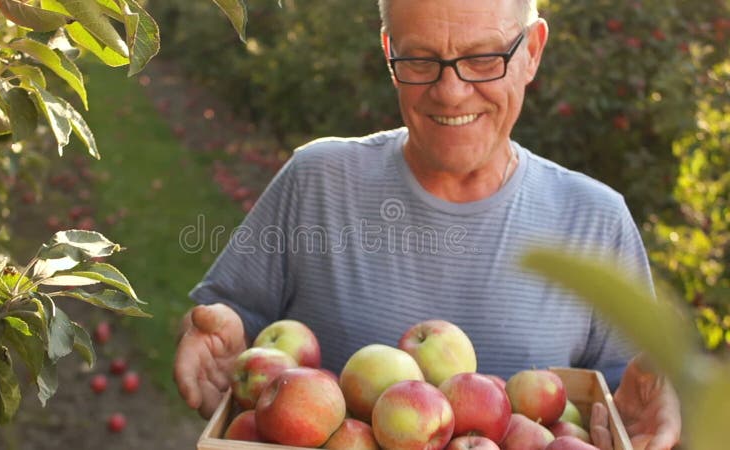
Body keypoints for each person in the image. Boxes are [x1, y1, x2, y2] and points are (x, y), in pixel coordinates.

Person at [174, 0, 682, 448]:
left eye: (483, 58)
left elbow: (616, 400)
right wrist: (213, 341)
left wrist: (644, 409)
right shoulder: (317, 182)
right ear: (389, 52)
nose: (452, 91)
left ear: (532, 52)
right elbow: (232, 325)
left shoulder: (594, 222)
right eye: (420, 59)